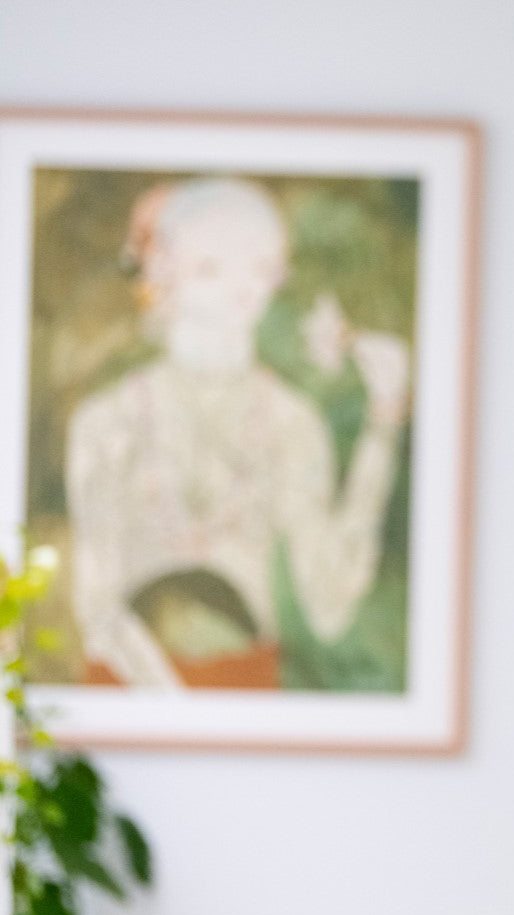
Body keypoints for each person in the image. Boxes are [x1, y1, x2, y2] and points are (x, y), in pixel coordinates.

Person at [65, 176, 410, 689]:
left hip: (244, 699)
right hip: (123, 699)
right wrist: (169, 701)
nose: (238, 287)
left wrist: (381, 427)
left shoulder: (292, 422)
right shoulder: (108, 420)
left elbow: (330, 602)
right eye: (211, 267)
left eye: (257, 265)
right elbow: (96, 606)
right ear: (160, 270)